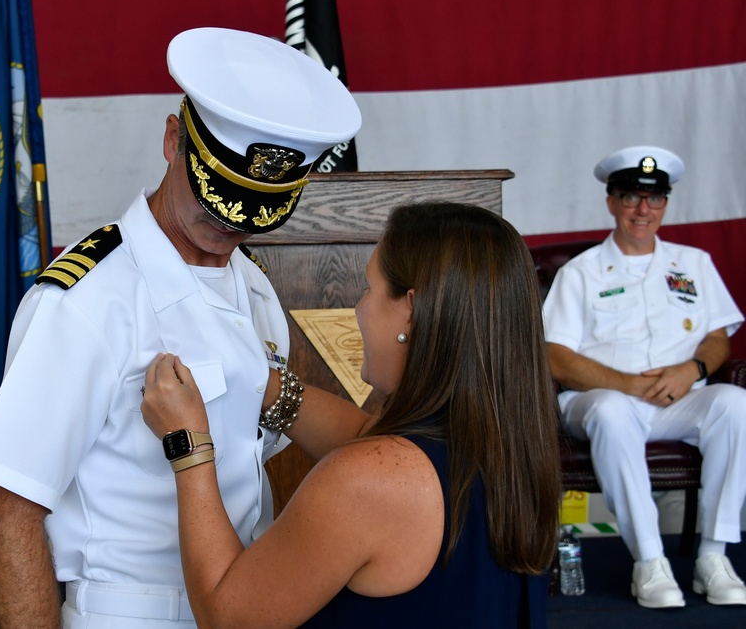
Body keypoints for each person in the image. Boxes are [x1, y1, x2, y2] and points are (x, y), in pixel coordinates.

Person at [0, 26, 363, 628]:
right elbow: (5, 521)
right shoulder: (87, 297)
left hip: (244, 602)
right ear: (173, 138)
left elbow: (258, 450)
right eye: (215, 199)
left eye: (252, 213)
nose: (228, 227)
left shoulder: (252, 284)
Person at [139, 201, 562, 628]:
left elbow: (225, 616)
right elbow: (365, 436)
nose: (358, 309)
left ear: (410, 312)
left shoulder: (368, 480)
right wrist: (258, 381)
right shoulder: (514, 447)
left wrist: (188, 443)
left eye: (368, 289)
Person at [543, 145, 746, 609]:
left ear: (665, 204)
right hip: (600, 401)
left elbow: (717, 338)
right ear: (611, 202)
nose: (643, 210)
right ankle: (648, 561)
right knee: (613, 413)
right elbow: (554, 355)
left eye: (653, 199)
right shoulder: (581, 272)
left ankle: (713, 556)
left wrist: (691, 370)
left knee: (736, 404)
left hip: (678, 399)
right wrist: (628, 384)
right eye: (631, 197)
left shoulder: (693, 263)